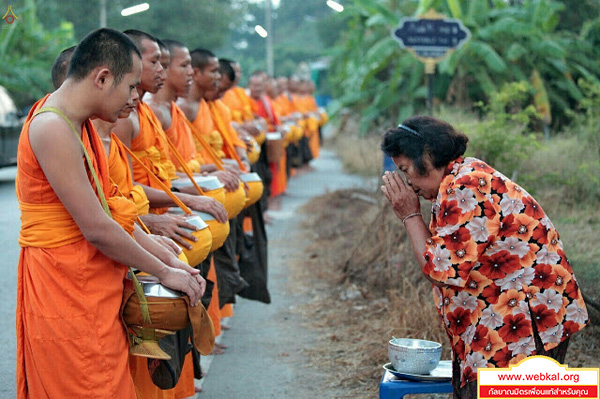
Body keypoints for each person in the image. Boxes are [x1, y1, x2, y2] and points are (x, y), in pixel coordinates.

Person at [15, 28, 205, 399]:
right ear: (102, 78)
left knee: (108, 382)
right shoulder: (52, 126)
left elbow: (109, 215)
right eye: (132, 87)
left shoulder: (80, 127)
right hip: (65, 285)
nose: (136, 98)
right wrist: (163, 270)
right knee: (85, 385)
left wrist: (167, 258)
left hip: (93, 284)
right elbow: (98, 229)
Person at [380, 115, 589, 399]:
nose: (407, 183)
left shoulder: (467, 185)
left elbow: (439, 270)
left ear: (427, 155)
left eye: (405, 170)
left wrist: (410, 215)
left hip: (523, 322)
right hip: (501, 317)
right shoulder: (456, 181)